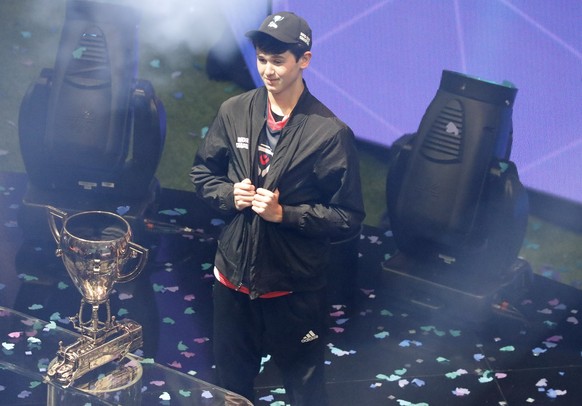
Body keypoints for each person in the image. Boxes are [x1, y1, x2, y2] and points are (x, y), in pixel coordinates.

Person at [190, 11, 365, 405]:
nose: (268, 71)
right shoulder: (234, 110)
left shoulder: (329, 133)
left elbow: (348, 217)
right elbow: (203, 172)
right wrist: (228, 194)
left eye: (278, 61)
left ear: (304, 60)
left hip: (292, 289)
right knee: (231, 388)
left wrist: (285, 214)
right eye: (262, 59)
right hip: (231, 281)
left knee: (304, 390)